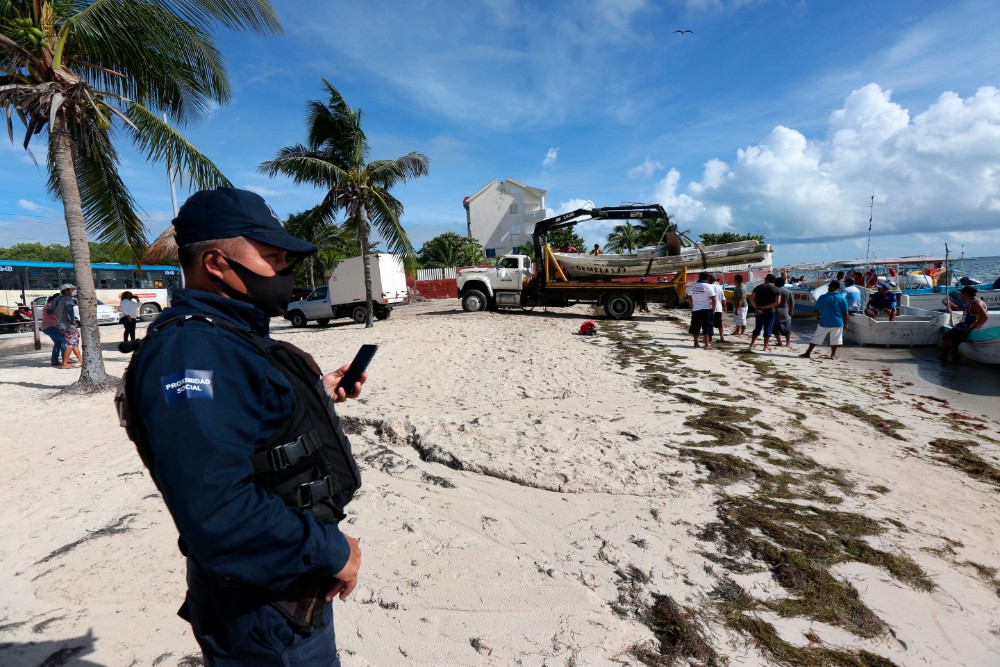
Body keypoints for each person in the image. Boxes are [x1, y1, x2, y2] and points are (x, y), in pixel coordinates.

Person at [119, 188, 365, 666]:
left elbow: (248, 423)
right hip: (263, 606)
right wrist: (330, 550)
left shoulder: (230, 338)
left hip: (289, 585)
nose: (285, 271)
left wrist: (316, 394)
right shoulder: (190, 353)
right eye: (271, 258)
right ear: (215, 263)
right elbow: (217, 509)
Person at [800, 280, 849, 359]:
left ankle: (808, 353)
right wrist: (846, 324)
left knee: (816, 337)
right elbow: (845, 313)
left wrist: (817, 317)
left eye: (829, 286)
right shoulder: (842, 299)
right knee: (835, 339)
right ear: (838, 288)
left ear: (832, 287)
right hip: (838, 322)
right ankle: (833, 355)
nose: (828, 288)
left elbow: (816, 310)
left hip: (824, 322)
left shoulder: (823, 297)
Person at [940, 286, 990, 363]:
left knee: (952, 341)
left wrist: (974, 329)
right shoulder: (971, 301)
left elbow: (985, 317)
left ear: (965, 294)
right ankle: (944, 356)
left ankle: (955, 359)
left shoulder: (976, 304)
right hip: (963, 325)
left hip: (967, 328)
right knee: (946, 336)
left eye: (961, 293)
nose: (960, 294)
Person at [747, 274, 782, 351]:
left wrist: (756, 306)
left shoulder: (758, 287)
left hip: (759, 310)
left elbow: (751, 299)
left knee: (758, 327)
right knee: (768, 328)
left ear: (766, 279)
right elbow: (777, 302)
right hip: (770, 311)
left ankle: (752, 343)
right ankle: (765, 346)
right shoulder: (777, 289)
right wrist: (766, 307)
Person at [51, 283, 81, 369]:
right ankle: (65, 364)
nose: (73, 291)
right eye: (72, 290)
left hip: (60, 325)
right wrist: (73, 319)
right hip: (68, 324)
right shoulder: (68, 299)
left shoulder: (57, 299)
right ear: (66, 290)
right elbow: (70, 308)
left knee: (73, 343)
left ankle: (81, 361)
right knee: (71, 344)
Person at [686, 271, 716, 349]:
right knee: (707, 327)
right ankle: (706, 344)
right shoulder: (709, 287)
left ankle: (696, 343)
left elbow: (689, 297)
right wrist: (713, 309)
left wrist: (692, 306)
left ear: (699, 277)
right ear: (707, 278)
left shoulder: (692, 286)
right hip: (706, 309)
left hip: (696, 309)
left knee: (695, 326)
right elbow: (713, 299)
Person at [40, 292, 66, 366]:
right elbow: (52, 313)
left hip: (49, 327)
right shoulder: (50, 305)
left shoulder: (52, 304)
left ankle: (54, 360)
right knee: (63, 340)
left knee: (58, 342)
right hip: (50, 327)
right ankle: (65, 359)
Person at [771, 276, 794, 347]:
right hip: (785, 312)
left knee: (775, 328)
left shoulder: (773, 291)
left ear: (775, 283)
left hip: (775, 311)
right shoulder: (788, 292)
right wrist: (791, 311)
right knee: (787, 328)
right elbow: (791, 303)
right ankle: (788, 343)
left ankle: (780, 342)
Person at [707, 274, 726, 342]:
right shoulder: (719, 287)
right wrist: (725, 306)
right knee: (720, 324)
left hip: (709, 307)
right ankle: (722, 337)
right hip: (718, 308)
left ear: (709, 279)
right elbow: (723, 298)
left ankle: (710, 337)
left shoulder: (708, 287)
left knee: (709, 323)